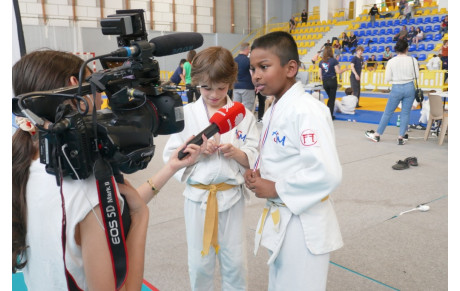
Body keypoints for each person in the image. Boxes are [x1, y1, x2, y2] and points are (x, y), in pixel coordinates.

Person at [12, 50, 206, 290]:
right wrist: (141, 217)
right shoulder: (86, 187)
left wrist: (170, 168)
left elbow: (112, 206)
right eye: (96, 87)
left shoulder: (27, 162)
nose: (102, 100)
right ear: (76, 85)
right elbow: (99, 208)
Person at [244, 31, 343, 290]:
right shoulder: (276, 106)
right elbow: (282, 154)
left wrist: (276, 187)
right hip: (282, 216)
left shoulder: (308, 110)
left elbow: (327, 173)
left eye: (264, 67)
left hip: (303, 223)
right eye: (253, 68)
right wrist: (258, 172)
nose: (256, 75)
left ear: (290, 68)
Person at [163, 46, 259, 291]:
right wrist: (194, 155)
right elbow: (170, 157)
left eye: (221, 88)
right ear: (196, 83)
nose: (214, 94)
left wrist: (236, 153)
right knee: (199, 262)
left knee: (235, 261)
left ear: (231, 83)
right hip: (198, 198)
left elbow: (256, 153)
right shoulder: (185, 115)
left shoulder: (243, 115)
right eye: (206, 87)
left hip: (231, 197)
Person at [365, 39, 419, 145]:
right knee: (405, 113)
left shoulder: (391, 61)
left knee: (388, 112)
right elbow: (416, 76)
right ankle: (401, 137)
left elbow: (387, 78)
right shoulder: (413, 60)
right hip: (409, 87)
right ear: (406, 49)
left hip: (396, 87)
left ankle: (377, 135)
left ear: (396, 49)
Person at [319, 46, 350, 119]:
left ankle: (327, 113)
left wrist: (323, 79)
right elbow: (338, 72)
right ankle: (330, 116)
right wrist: (345, 69)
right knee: (332, 99)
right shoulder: (333, 60)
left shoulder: (321, 61)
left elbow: (320, 75)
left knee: (330, 98)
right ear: (331, 52)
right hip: (332, 81)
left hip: (325, 82)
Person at [234, 42, 256, 111]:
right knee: (247, 108)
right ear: (247, 49)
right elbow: (253, 72)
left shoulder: (234, 60)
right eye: (249, 49)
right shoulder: (248, 61)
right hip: (247, 87)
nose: (249, 51)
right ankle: (246, 121)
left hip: (236, 87)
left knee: (235, 108)